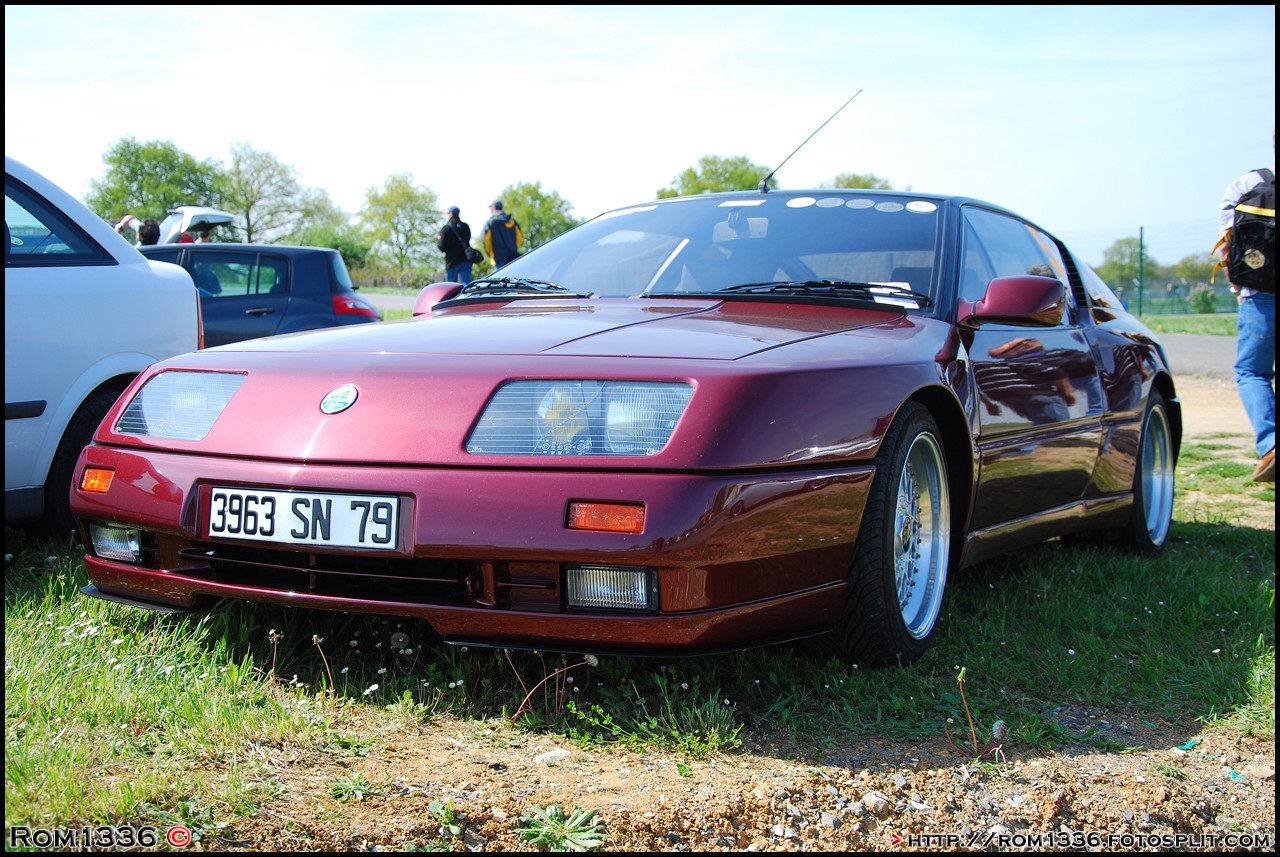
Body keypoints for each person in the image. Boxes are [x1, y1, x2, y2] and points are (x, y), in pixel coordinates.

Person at [1216, 137, 1276, 482]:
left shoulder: (1246, 185)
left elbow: (1228, 245)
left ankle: (1271, 444)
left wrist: (1237, 284)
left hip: (1260, 294)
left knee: (1252, 373)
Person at [479, 199, 523, 268]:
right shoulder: (512, 221)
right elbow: (520, 238)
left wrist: (491, 254)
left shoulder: (490, 223)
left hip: (499, 260)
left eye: (490, 208)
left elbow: (486, 241)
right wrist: (513, 248)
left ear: (494, 208)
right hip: (514, 257)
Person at [436, 206, 474, 283]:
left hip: (452, 260)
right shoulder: (465, 226)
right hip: (465, 259)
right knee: (466, 284)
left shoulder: (446, 228)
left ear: (450, 214)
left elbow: (441, 246)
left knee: (451, 286)